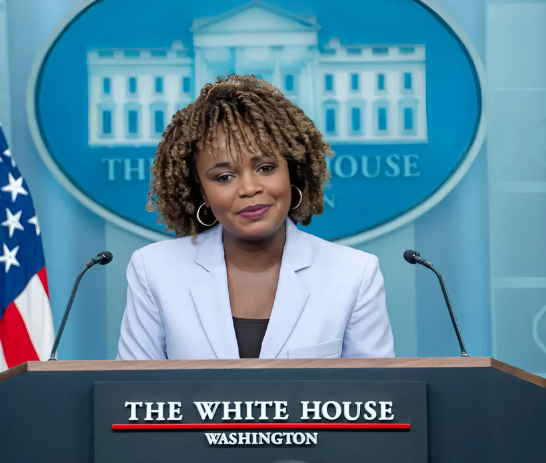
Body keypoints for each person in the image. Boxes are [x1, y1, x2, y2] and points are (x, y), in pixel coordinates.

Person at [117, 75, 394, 360]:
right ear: (202, 192)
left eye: (265, 168)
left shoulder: (354, 274)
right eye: (224, 177)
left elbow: (376, 387)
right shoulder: (154, 270)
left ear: (292, 172)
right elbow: (131, 387)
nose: (249, 188)